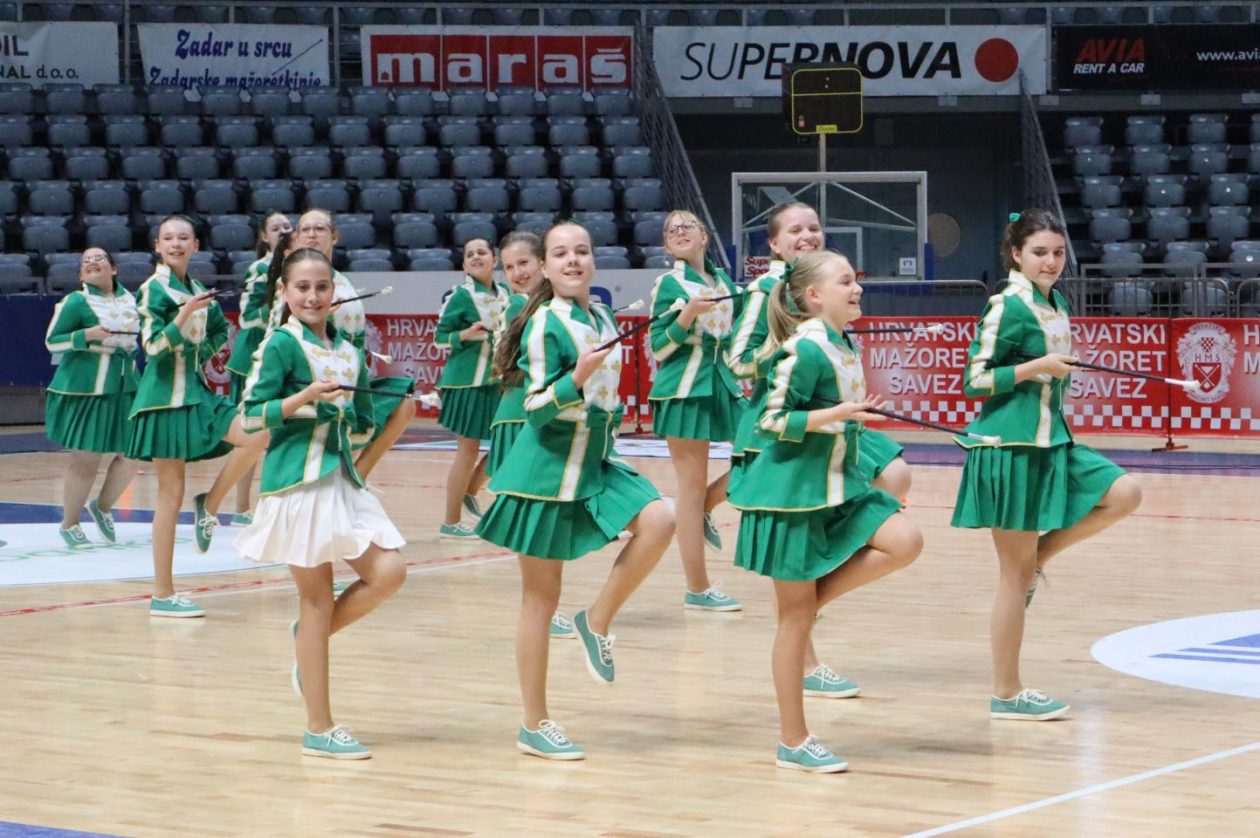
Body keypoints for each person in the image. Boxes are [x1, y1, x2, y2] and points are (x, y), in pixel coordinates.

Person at [477, 221, 675, 760]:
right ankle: (534, 723)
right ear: (544, 266)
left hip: (594, 460)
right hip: (544, 473)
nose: (572, 261)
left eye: (582, 252)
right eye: (560, 254)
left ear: (593, 261)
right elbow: (537, 408)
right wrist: (575, 380)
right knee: (540, 600)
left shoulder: (602, 314)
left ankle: (596, 620)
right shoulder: (545, 323)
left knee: (660, 520)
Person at [729, 251, 922, 773]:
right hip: (789, 494)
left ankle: (815, 600)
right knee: (792, 623)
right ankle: (793, 740)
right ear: (814, 296)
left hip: (834, 484)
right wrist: (835, 415)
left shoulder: (842, 342)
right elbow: (770, 420)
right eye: (845, 281)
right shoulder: (805, 348)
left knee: (905, 540)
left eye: (856, 279)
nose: (857, 287)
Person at [952, 209, 1141, 721]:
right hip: (1008, 446)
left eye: (1057, 252)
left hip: (1052, 439)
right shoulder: (1006, 305)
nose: (1051, 261)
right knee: (1011, 577)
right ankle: (1006, 693)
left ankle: (1039, 559)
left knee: (1124, 493)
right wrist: (1038, 367)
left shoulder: (1055, 302)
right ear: (1016, 254)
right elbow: (974, 380)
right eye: (1039, 252)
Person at [234, 247, 406, 760]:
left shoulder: (351, 351)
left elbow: (363, 419)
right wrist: (305, 398)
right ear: (284, 293)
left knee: (390, 572)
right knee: (315, 601)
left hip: (342, 480)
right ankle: (319, 727)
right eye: (302, 287)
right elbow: (249, 417)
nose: (313, 296)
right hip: (298, 485)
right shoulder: (281, 344)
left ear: (336, 293)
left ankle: (307, 643)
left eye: (322, 287)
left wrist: (385, 399)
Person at [727, 201, 878, 699]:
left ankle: (808, 620)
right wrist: (791, 344)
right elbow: (739, 362)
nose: (807, 234)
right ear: (773, 244)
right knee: (791, 555)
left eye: (814, 226)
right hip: (776, 426)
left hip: (820, 421)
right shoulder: (766, 292)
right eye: (795, 229)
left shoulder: (828, 294)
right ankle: (806, 657)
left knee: (893, 478)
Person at [127, 215, 269, 617]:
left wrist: (201, 349)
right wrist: (185, 314)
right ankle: (162, 593)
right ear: (157, 245)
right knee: (169, 498)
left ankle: (210, 503)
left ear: (195, 245)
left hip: (197, 392)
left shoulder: (196, 288)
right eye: (168, 238)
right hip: (162, 401)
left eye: (183, 237)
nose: (176, 243)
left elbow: (221, 333)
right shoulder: (153, 289)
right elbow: (153, 348)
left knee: (259, 433)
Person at [648, 210, 745, 612]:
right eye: (672, 230)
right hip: (684, 389)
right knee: (687, 489)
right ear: (668, 245)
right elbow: (659, 347)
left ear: (704, 236)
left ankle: (706, 505)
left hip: (723, 384)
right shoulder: (669, 285)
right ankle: (698, 589)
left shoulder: (725, 283)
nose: (680, 231)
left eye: (687, 225)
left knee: (761, 453)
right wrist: (687, 314)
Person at [488, 230, 576, 640]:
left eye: (523, 263)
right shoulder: (527, 311)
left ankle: (544, 607)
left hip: (532, 415)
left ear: (541, 263)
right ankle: (540, 609)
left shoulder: (555, 308)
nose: (517, 273)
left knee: (545, 524)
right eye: (508, 267)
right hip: (520, 418)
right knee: (533, 524)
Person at [287, 209, 415, 481]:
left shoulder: (342, 280)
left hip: (349, 376)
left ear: (334, 236)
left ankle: (357, 478)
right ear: (296, 237)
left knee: (404, 404)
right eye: (305, 229)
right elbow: (281, 330)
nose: (311, 234)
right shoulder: (291, 281)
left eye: (319, 228)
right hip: (313, 377)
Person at [44, 247, 140, 547]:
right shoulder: (76, 301)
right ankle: (69, 523)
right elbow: (52, 342)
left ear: (113, 268)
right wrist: (85, 336)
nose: (92, 263)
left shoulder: (131, 299)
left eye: (99, 258)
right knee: (87, 460)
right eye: (86, 261)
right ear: (81, 274)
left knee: (132, 454)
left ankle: (102, 506)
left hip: (126, 386)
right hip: (86, 388)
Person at [433, 237, 510, 540]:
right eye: (469, 254)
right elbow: (439, 338)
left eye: (482, 252)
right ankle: (450, 522)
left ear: (495, 260)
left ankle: (471, 490)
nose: (476, 256)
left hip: (497, 382)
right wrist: (466, 334)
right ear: (464, 265)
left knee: (509, 443)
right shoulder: (461, 296)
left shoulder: (506, 293)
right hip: (466, 382)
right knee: (468, 451)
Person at [223, 210, 292, 526]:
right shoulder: (259, 269)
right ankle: (240, 508)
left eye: (287, 226)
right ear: (264, 237)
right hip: (254, 361)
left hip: (287, 360)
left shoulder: (300, 266)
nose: (283, 230)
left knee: (286, 433)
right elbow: (246, 317)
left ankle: (281, 503)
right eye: (275, 228)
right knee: (252, 432)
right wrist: (278, 307)